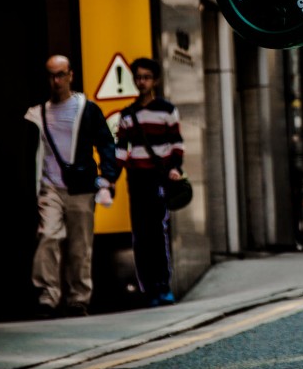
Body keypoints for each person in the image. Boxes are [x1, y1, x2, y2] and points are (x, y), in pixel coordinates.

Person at [25, 55, 118, 318]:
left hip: (82, 187)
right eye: (51, 75)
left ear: (70, 75)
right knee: (48, 236)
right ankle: (47, 295)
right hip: (50, 187)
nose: (56, 81)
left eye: (61, 74)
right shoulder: (37, 114)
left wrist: (108, 178)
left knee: (80, 245)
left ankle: (78, 298)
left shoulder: (86, 109)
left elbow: (106, 144)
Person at [115, 57, 185, 307]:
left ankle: (162, 286)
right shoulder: (127, 114)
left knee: (157, 233)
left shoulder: (167, 110)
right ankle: (148, 290)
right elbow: (121, 149)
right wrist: (111, 178)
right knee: (140, 236)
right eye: (138, 77)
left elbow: (177, 142)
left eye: (146, 77)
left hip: (159, 176)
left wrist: (175, 168)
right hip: (136, 178)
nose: (141, 82)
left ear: (155, 80)